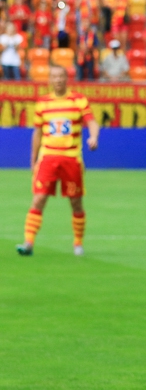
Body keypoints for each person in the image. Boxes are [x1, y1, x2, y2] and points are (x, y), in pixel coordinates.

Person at [17, 66, 99, 257]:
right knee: (39, 198)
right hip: (48, 157)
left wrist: (94, 137)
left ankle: (78, 243)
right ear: (50, 80)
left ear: (66, 78)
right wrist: (33, 160)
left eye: (61, 76)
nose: (58, 80)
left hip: (71, 158)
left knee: (76, 202)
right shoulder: (43, 103)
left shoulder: (78, 100)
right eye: (54, 76)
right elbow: (37, 133)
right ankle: (28, 243)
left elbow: (92, 121)